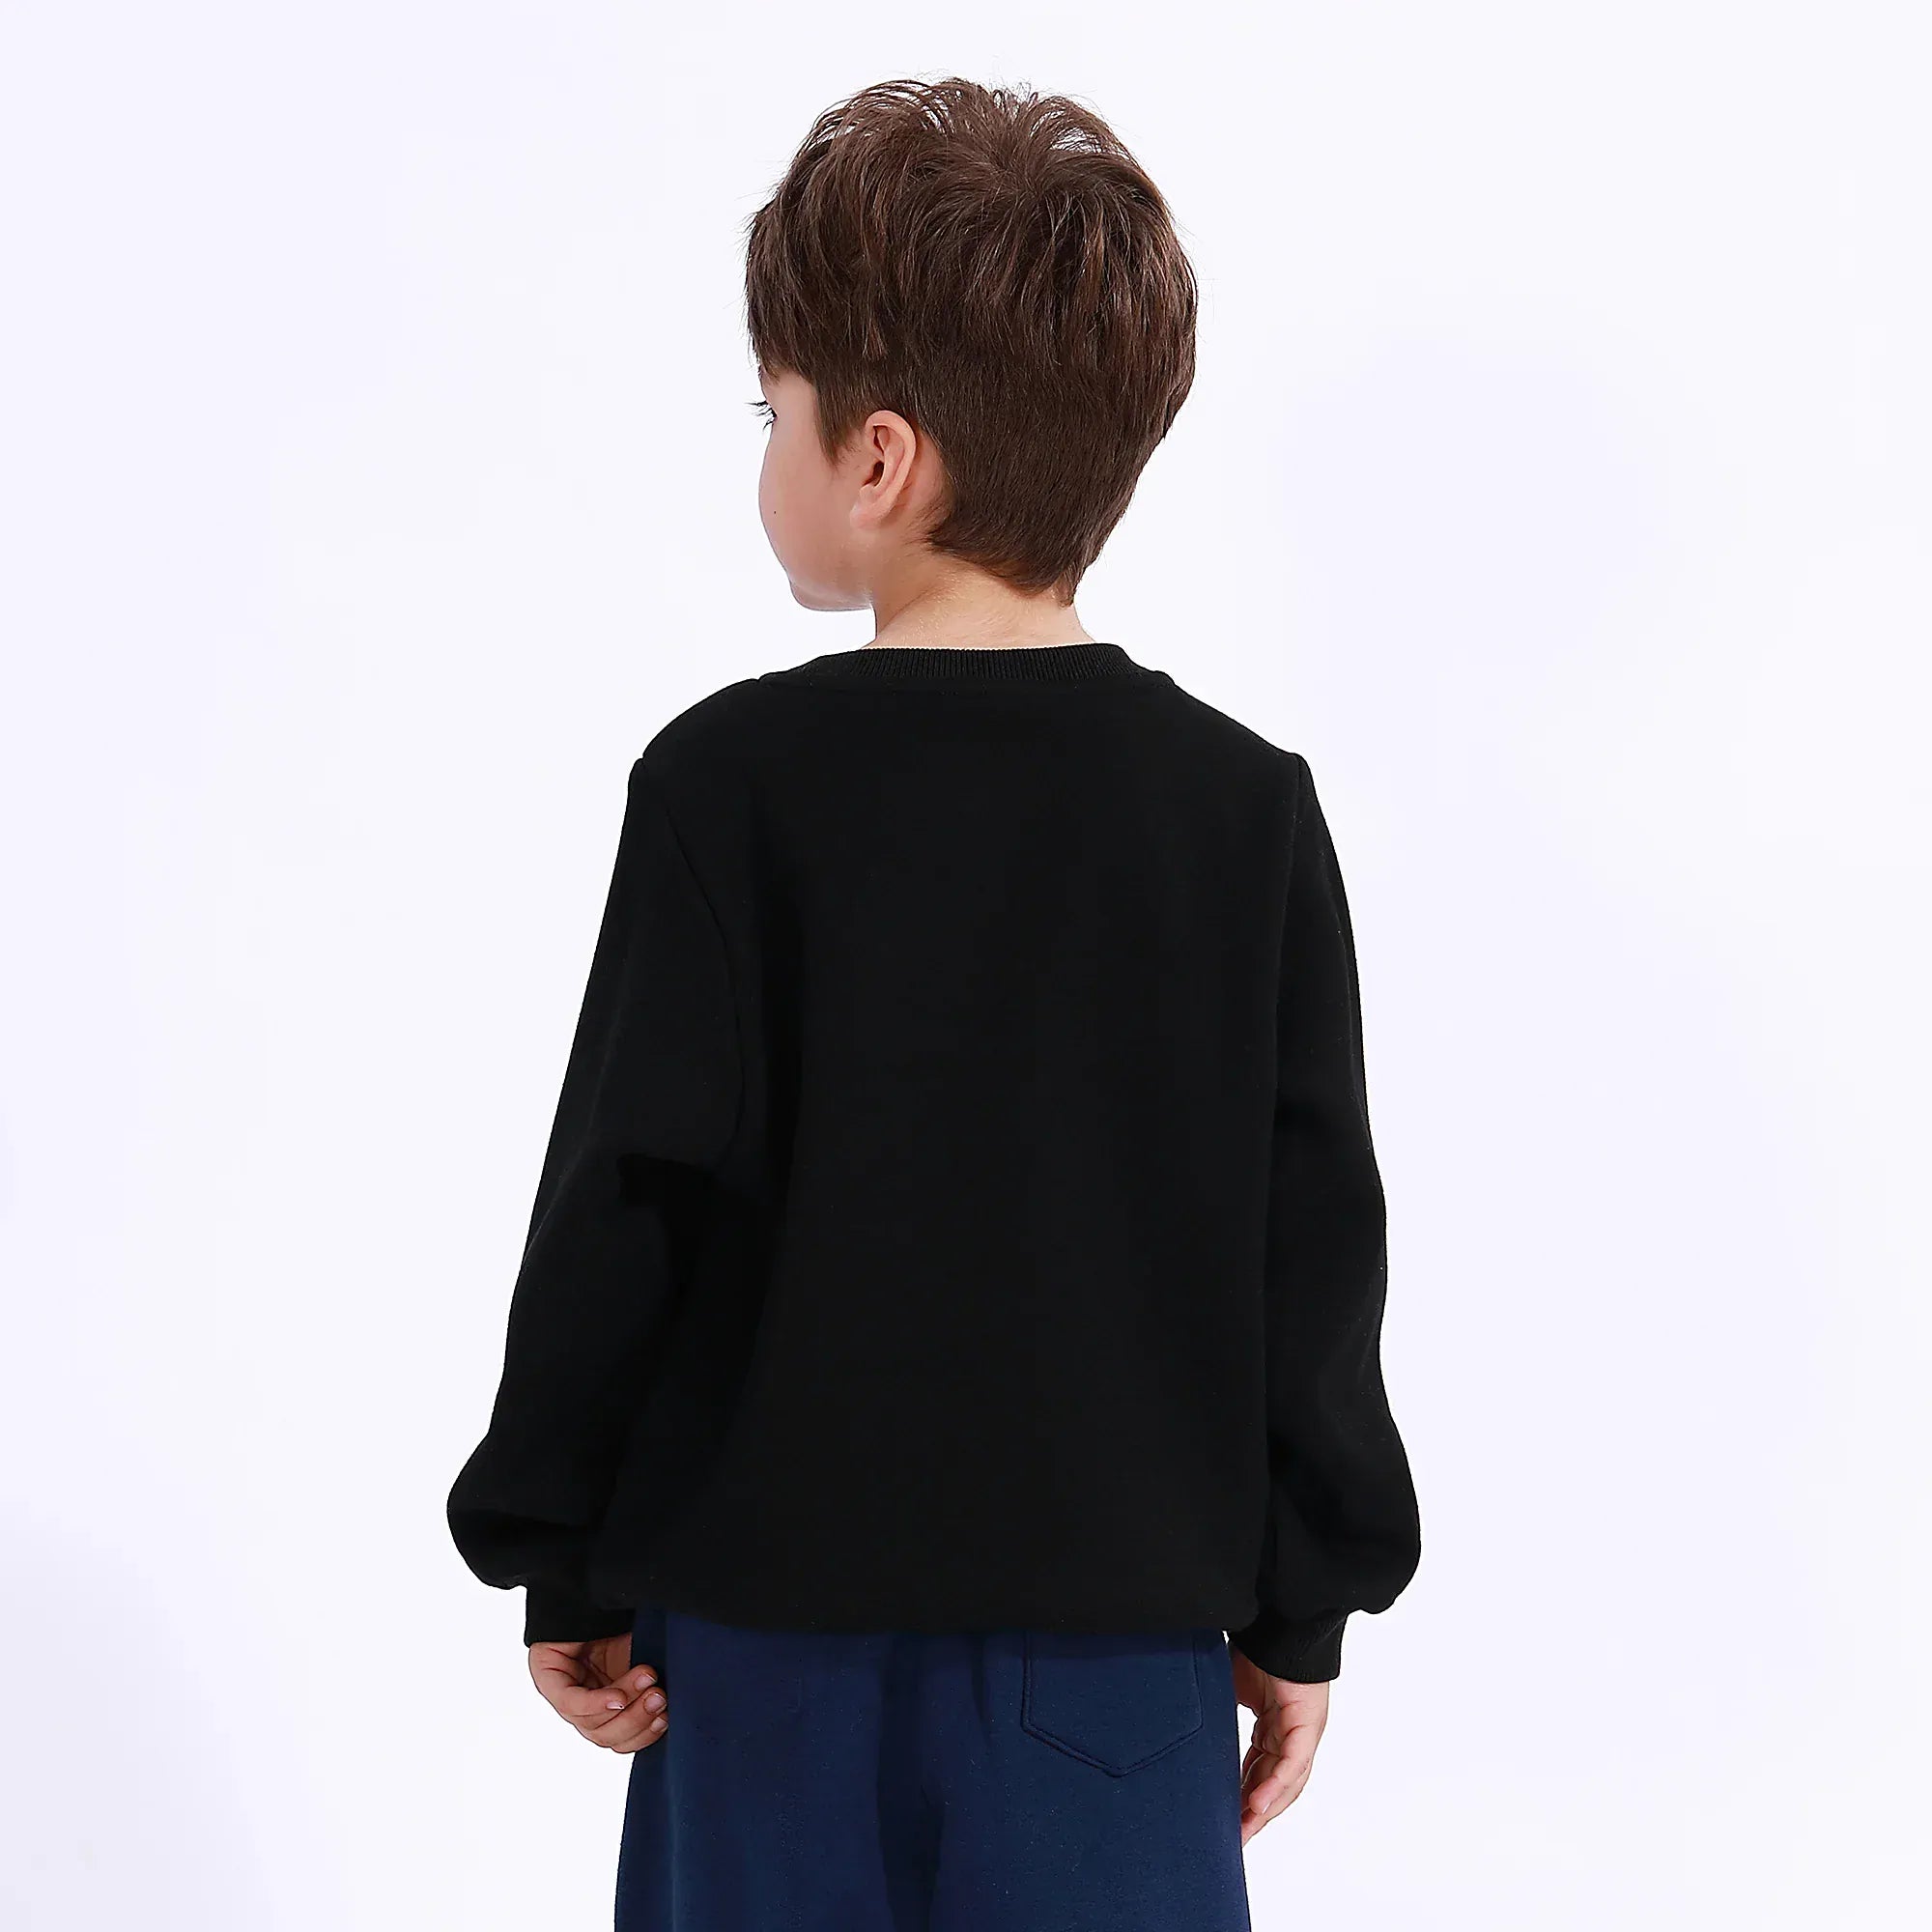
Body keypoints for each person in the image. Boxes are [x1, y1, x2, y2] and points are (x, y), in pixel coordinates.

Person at [447, 74, 1420, 1932]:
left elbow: (624, 1204)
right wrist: (1303, 1607)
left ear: (878, 460)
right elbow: (1311, 1247)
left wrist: (561, 1554)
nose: (771, 450)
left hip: (759, 1670)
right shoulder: (1241, 813)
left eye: (778, 411)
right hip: (1115, 1681)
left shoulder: (728, 788)